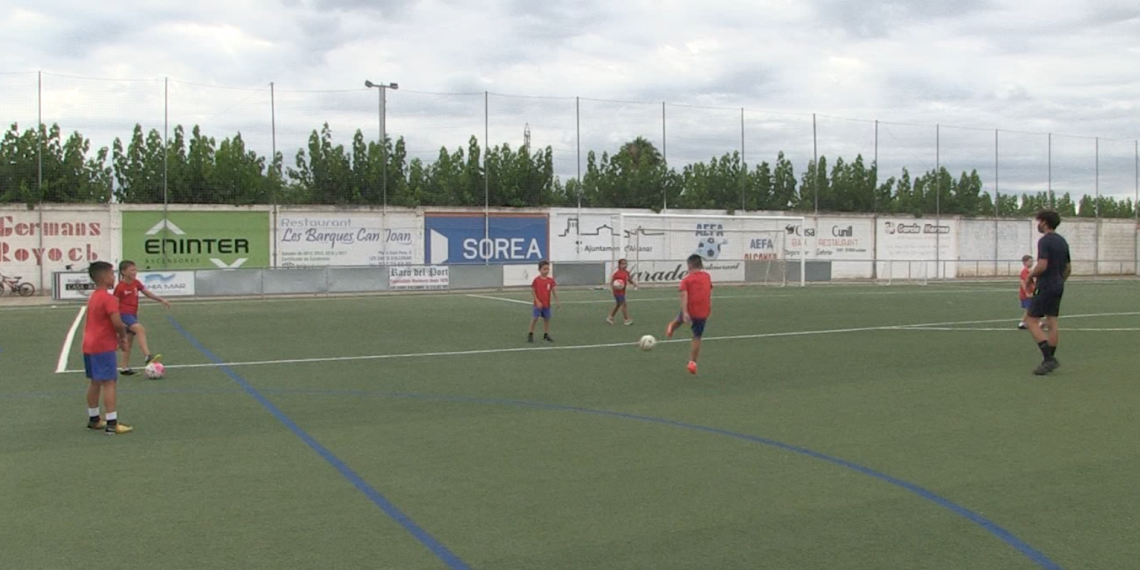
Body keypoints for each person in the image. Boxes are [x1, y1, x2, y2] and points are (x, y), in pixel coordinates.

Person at [83, 261, 133, 435]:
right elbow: (117, 322)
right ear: (104, 278)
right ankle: (112, 422)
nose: (114, 277)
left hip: (89, 344)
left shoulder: (94, 296)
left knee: (95, 381)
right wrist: (122, 337)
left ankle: (94, 419)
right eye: (112, 274)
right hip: (102, 346)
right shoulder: (108, 298)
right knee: (109, 382)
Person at [1025, 210, 1071, 376]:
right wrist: (1059, 280)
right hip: (1058, 285)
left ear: (1044, 222)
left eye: (1039, 221)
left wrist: (1030, 276)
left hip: (1046, 285)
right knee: (1052, 322)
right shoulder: (1062, 241)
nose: (1038, 224)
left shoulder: (1044, 241)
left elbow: (1042, 265)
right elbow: (1068, 269)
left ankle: (1048, 359)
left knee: (1030, 321)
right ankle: (1049, 360)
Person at [113, 260, 169, 375]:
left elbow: (147, 293)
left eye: (135, 269)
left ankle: (124, 368)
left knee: (128, 342)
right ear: (123, 272)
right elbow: (114, 304)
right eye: (132, 270)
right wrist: (117, 320)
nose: (135, 272)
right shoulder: (120, 287)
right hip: (124, 315)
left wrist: (161, 300)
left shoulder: (136, 283)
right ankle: (147, 355)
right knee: (140, 329)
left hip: (133, 314)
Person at [665, 254, 713, 375]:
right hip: (703, 312)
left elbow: (684, 296)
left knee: (681, 319)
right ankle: (693, 362)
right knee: (697, 336)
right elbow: (709, 290)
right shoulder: (707, 276)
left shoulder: (686, 280)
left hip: (691, 310)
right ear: (700, 265)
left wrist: (686, 312)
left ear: (689, 265)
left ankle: (672, 327)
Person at [528, 260, 560, 343]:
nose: (546, 271)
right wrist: (537, 301)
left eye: (547, 269)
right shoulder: (536, 280)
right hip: (538, 304)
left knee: (547, 319)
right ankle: (530, 334)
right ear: (540, 270)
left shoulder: (550, 280)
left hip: (546, 304)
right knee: (535, 318)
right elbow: (533, 290)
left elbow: (554, 290)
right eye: (544, 269)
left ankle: (546, 334)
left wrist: (557, 300)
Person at [606, 258, 638, 325]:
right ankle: (627, 319)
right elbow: (612, 282)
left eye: (626, 264)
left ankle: (610, 317)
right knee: (623, 304)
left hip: (622, 291)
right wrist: (614, 288)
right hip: (617, 292)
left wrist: (634, 283)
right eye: (623, 264)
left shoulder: (626, 272)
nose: (625, 265)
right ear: (619, 265)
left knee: (618, 305)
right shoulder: (617, 274)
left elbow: (629, 279)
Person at [1017, 255, 1035, 330]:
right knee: (1029, 309)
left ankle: (1029, 322)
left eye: (1032, 261)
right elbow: (1023, 283)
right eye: (1030, 261)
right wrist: (1027, 292)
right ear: (1025, 262)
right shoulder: (1024, 272)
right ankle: (1022, 323)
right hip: (1026, 295)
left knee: (1032, 308)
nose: (1031, 263)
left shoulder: (1030, 271)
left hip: (1031, 293)